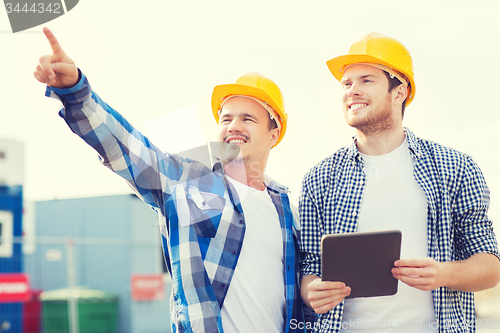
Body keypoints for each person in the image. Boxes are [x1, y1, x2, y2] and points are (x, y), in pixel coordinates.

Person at [34, 27, 308, 333]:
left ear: (274, 133)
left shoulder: (285, 206)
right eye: (226, 118)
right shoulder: (192, 182)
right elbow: (129, 149)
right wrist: (76, 93)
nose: (233, 126)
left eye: (248, 118)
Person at [299, 32, 500, 333]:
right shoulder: (319, 178)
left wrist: (445, 273)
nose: (352, 90)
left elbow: (490, 265)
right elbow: (310, 265)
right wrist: (311, 289)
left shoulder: (455, 167)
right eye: (347, 83)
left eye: (366, 80)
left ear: (399, 91)